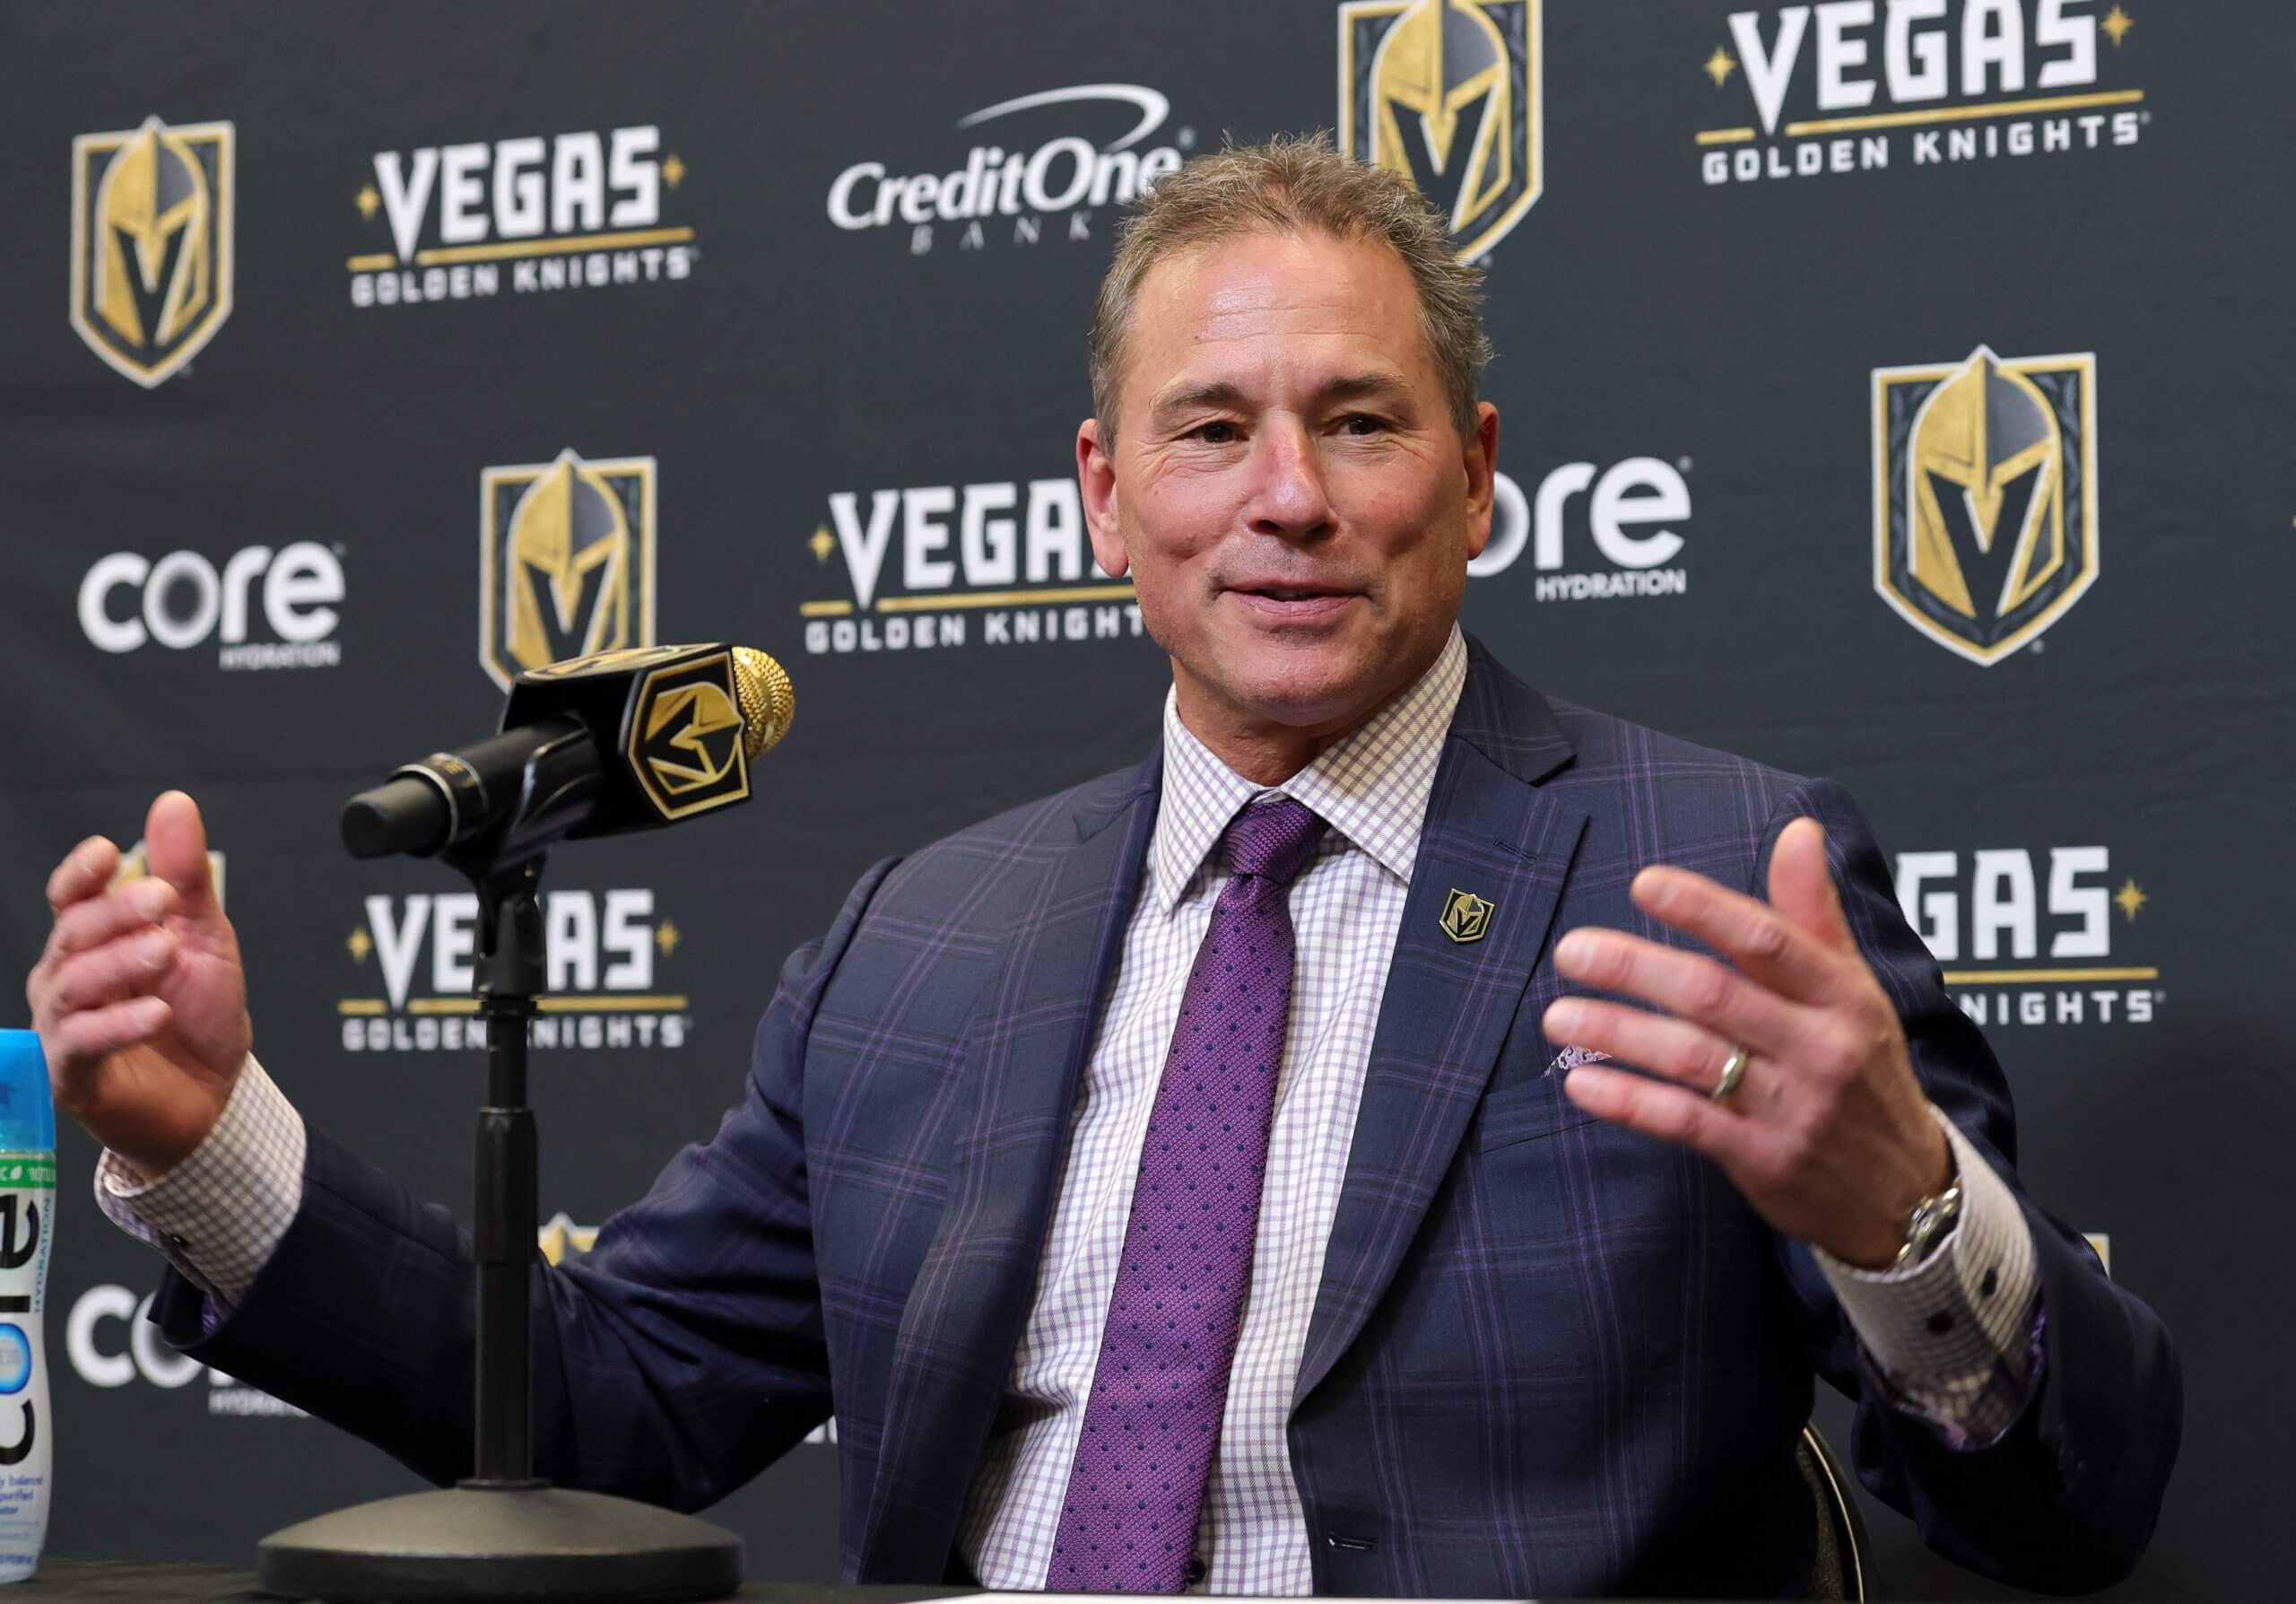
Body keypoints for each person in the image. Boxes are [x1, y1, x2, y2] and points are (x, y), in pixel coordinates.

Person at [27, 137, 2176, 1598]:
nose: (1288, 499)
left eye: (1358, 419)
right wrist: (215, 1144)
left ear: (1479, 476)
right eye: (1211, 428)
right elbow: (613, 1403)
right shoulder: (922, 940)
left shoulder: (1710, 875)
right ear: (1099, 493)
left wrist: (1904, 1215)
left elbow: (2077, 1507)